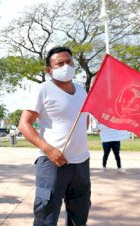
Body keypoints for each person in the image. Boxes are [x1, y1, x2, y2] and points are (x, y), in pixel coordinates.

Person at [18, 47, 91, 226]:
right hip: (52, 164)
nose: (66, 66)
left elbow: (85, 121)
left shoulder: (82, 90)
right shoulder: (43, 90)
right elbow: (24, 124)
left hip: (81, 163)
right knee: (46, 216)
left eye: (69, 62)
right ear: (49, 70)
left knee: (79, 215)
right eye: (60, 63)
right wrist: (48, 149)